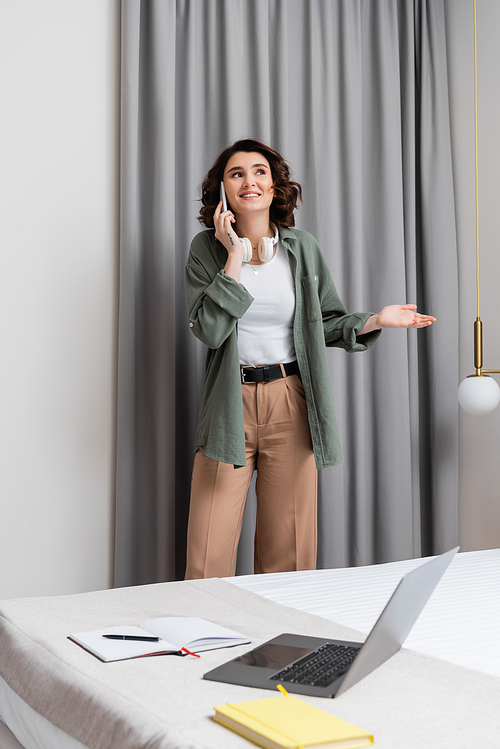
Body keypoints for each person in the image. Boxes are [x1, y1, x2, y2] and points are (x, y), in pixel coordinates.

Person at [184, 138, 435, 580]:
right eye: (236, 173)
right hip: (228, 405)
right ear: (222, 190)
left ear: (275, 185)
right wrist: (234, 257)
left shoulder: (303, 249)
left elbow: (328, 322)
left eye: (259, 171)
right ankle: (202, 644)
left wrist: (376, 319)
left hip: (291, 402)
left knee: (289, 554)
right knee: (208, 552)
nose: (250, 181)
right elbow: (209, 330)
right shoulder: (206, 250)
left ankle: (279, 644)